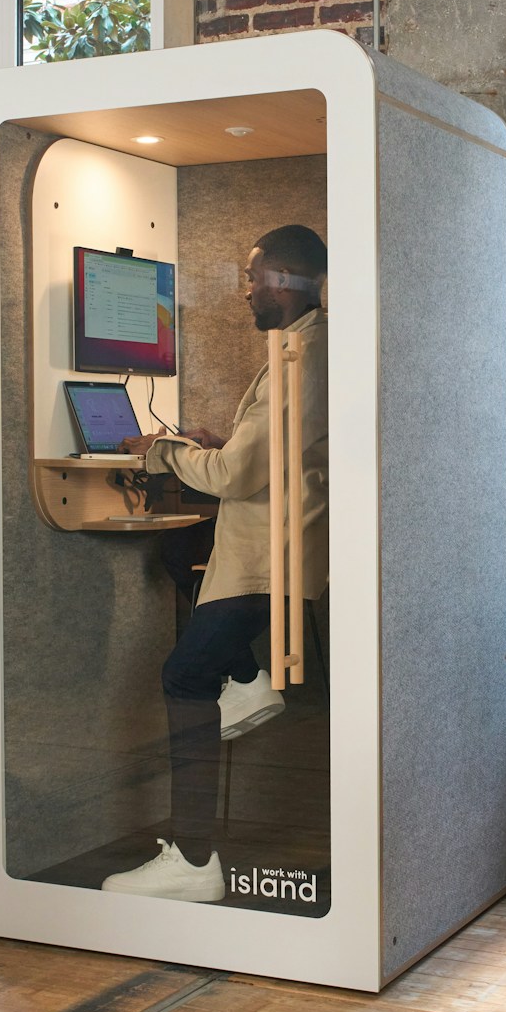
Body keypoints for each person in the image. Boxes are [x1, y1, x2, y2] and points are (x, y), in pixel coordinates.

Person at [101, 224, 329, 902]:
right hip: (274, 548)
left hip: (269, 557)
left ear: (285, 282)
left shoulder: (302, 357)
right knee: (178, 553)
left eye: (254, 277)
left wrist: (160, 452)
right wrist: (217, 439)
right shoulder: (303, 348)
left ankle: (195, 861)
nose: (246, 291)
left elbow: (234, 474)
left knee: (183, 677)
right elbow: (267, 450)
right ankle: (249, 678)